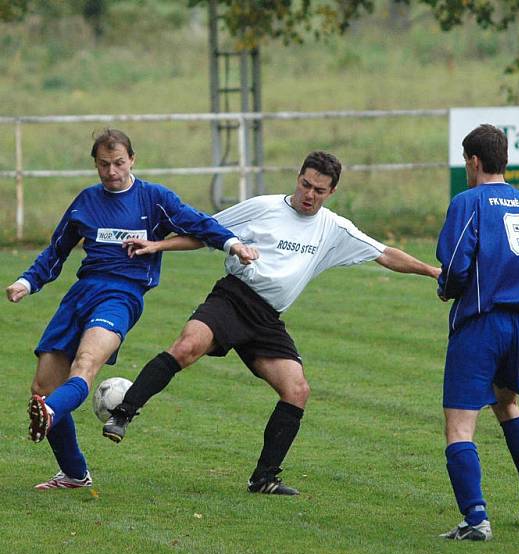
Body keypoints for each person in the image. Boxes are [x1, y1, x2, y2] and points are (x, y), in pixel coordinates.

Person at [101, 151, 440, 495]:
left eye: (319, 190)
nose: (309, 195)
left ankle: (264, 478)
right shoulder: (263, 207)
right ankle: (123, 413)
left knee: (297, 390)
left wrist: (432, 271)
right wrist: (158, 245)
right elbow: (207, 232)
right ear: (297, 177)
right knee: (187, 347)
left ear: (331, 192)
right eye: (305, 184)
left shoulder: (334, 229)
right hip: (232, 299)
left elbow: (385, 253)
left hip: (267, 319)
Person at [5, 128, 256, 491]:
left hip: (121, 297)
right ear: (95, 163)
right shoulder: (85, 202)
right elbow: (56, 251)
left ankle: (51, 414)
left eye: (119, 163)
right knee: (42, 388)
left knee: (85, 365)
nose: (111, 172)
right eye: (104, 164)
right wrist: (26, 283)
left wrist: (233, 244)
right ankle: (74, 473)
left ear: (132, 160)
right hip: (79, 295)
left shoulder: (153, 198)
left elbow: (198, 223)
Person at [435, 124, 519, 541]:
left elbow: (457, 262)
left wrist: (447, 289)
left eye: (466, 162)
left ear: (474, 162)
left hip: (483, 324)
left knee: (459, 425)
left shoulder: (468, 202)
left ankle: (475, 519)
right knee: (505, 402)